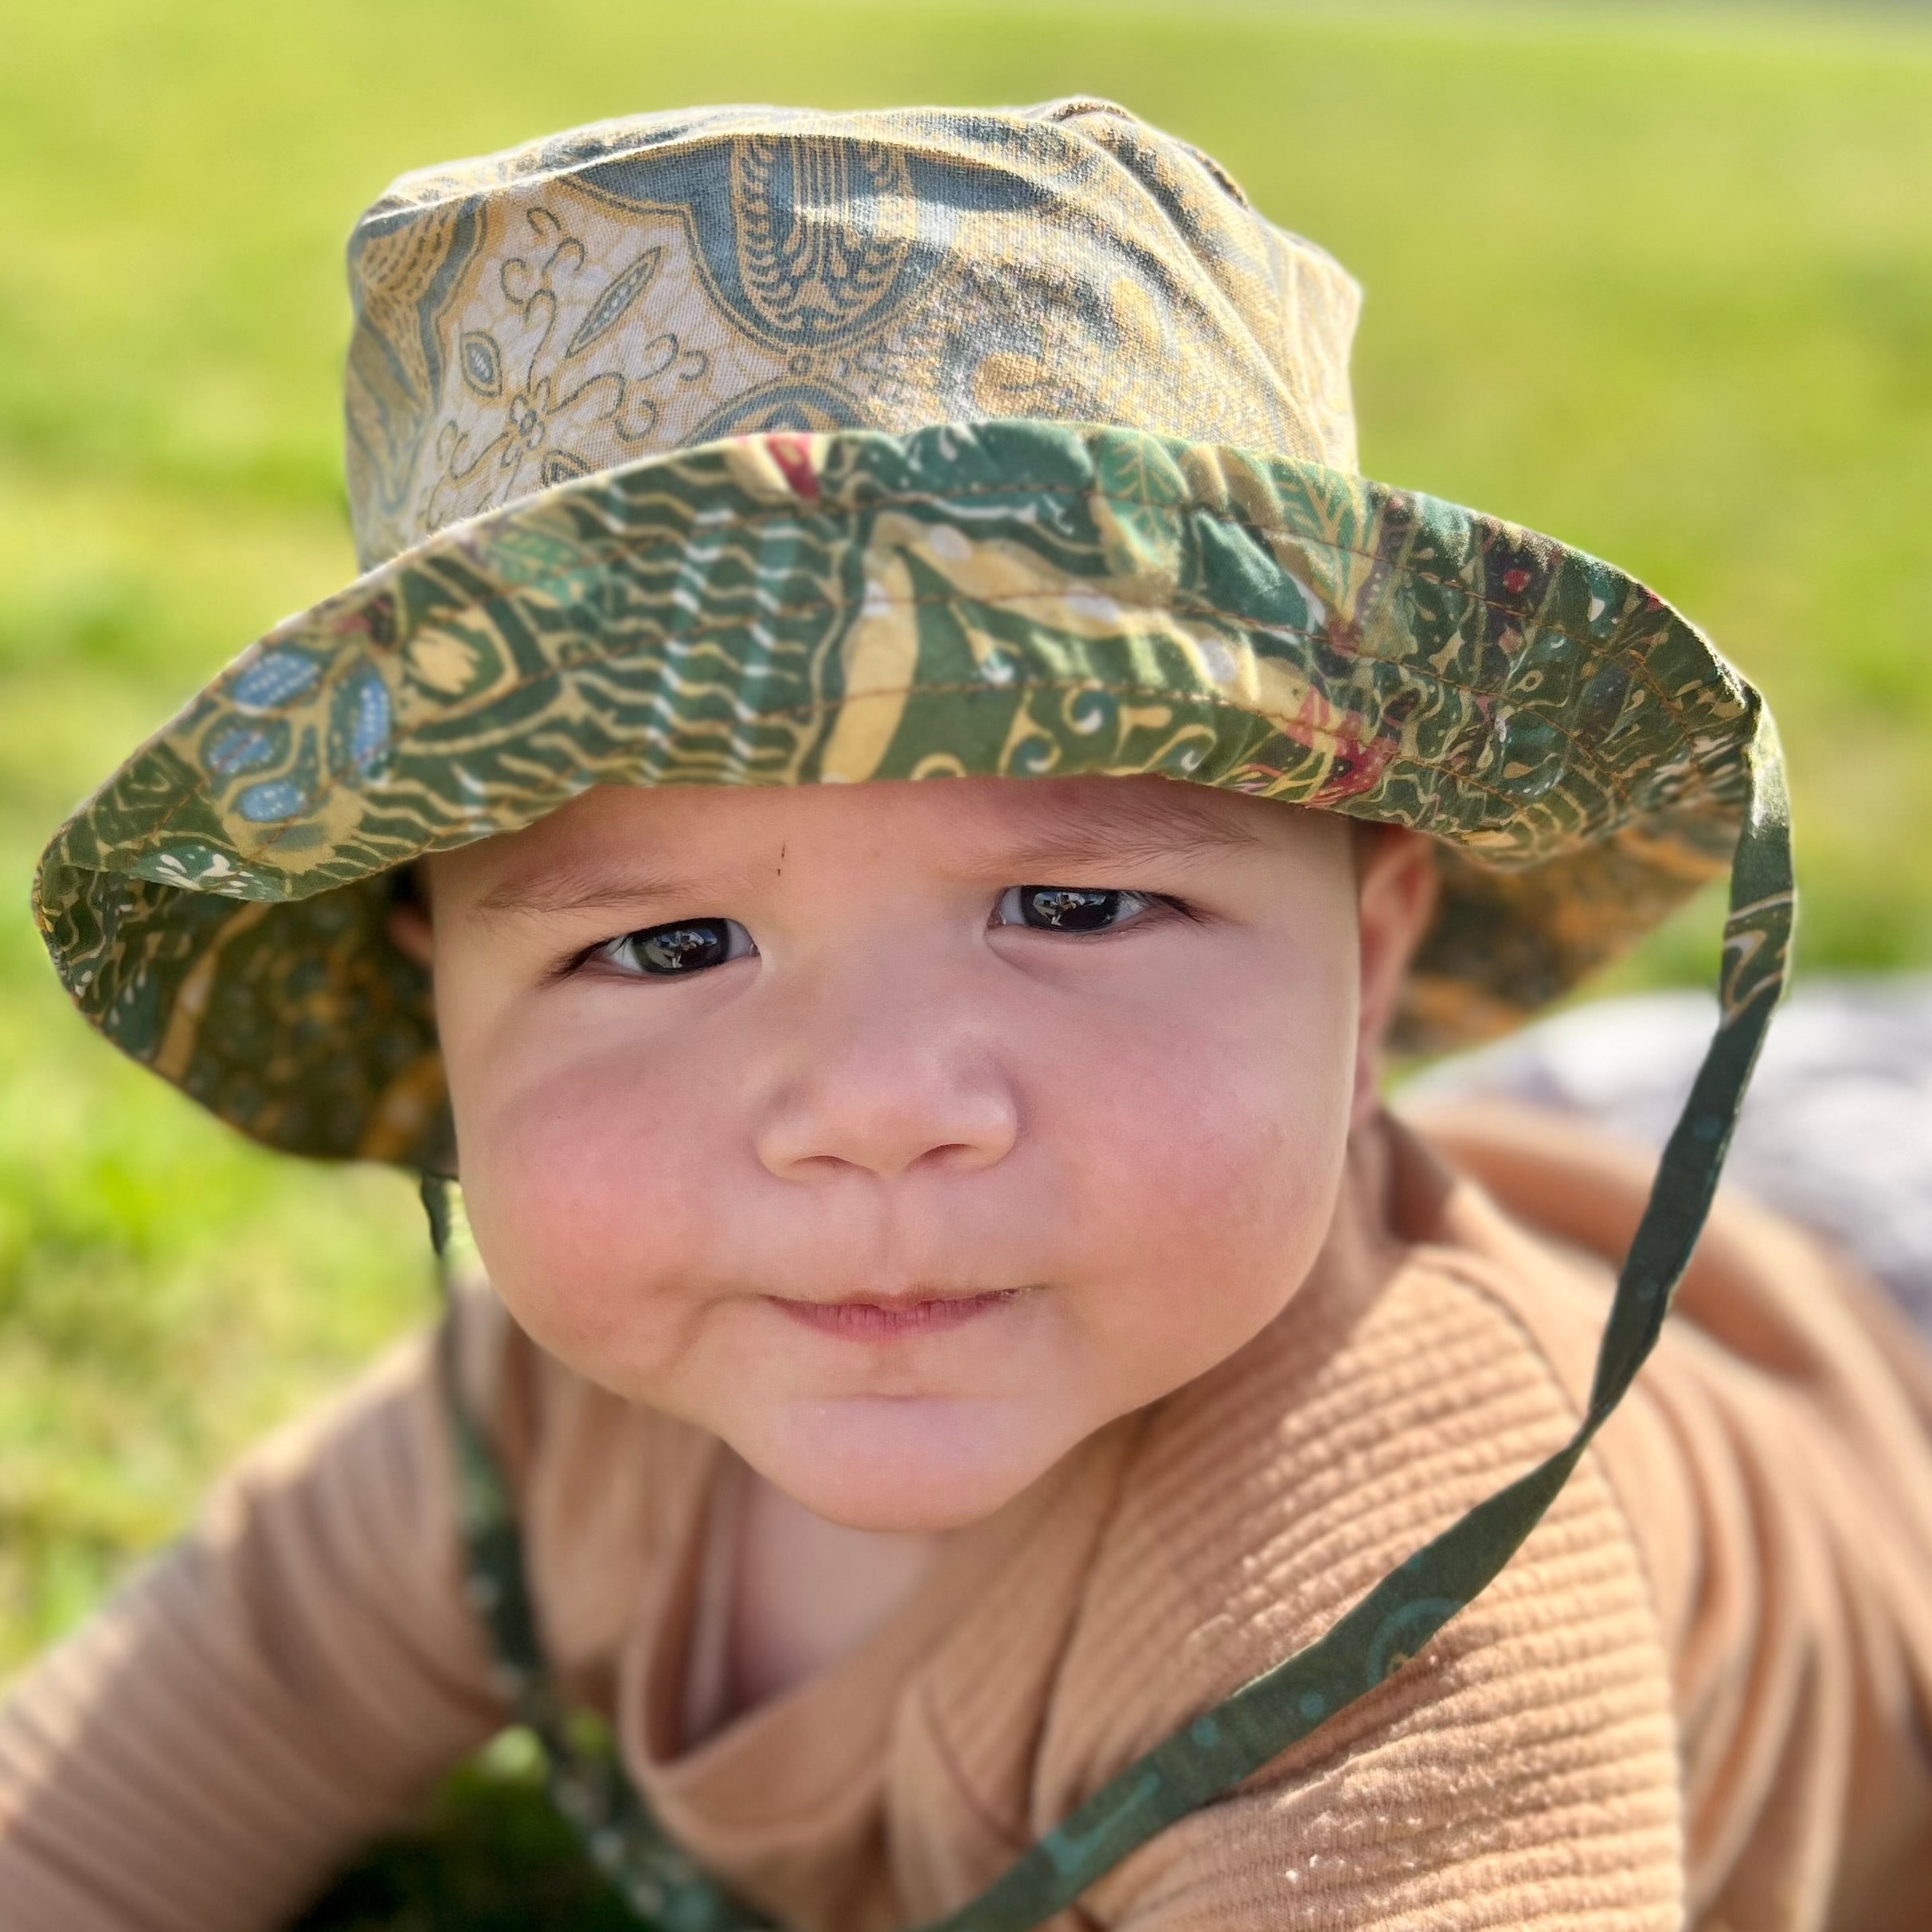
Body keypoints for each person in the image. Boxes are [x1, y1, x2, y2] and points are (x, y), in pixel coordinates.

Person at [3, 99, 1929, 1932]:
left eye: (1076, 904)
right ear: (449, 1007)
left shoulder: (1386, 1568)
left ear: (1366, 964)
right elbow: (104, 1800)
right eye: (665, 948)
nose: (874, 1106)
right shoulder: (537, 1422)